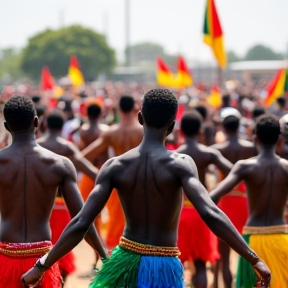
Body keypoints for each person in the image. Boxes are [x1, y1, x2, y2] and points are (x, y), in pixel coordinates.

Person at [22, 89, 270, 288]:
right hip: (165, 265)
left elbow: (80, 222)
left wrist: (41, 266)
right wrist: (254, 258)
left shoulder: (115, 166)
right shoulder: (182, 165)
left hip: (124, 262)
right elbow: (210, 213)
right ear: (172, 127)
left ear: (141, 118)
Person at [0, 96, 106, 288]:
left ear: (7, 126)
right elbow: (83, 221)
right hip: (42, 262)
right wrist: (105, 256)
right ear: (36, 122)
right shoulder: (60, 164)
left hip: (4, 259)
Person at [210, 114, 288, 288]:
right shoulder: (285, 168)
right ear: (279, 140)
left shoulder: (245, 167)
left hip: (252, 243)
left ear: (255, 138)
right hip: (282, 238)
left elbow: (213, 197)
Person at [37, 110, 99, 281]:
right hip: (62, 204)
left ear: (45, 124)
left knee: (40, 247)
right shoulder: (66, 147)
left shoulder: (36, 145)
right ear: (61, 126)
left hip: (41, 207)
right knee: (61, 250)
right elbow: (90, 171)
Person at [177, 111, 233, 288]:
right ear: (200, 130)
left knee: (177, 264)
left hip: (181, 214)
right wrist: (213, 193)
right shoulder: (209, 153)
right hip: (202, 212)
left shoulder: (175, 154)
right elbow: (233, 171)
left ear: (181, 131)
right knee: (201, 265)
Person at [81, 95, 143, 249]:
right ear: (136, 109)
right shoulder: (143, 132)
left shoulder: (111, 133)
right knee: (139, 225)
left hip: (118, 183)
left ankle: (115, 259)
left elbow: (84, 156)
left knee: (116, 224)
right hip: (139, 183)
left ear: (119, 110)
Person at [211, 108, 257, 288]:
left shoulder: (216, 149)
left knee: (224, 254)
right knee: (247, 251)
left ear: (223, 127)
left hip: (225, 201)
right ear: (239, 126)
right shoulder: (251, 148)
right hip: (245, 202)